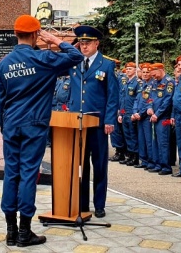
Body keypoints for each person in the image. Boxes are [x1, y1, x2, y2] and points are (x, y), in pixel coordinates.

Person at [0, 15, 83, 247]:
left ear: (16, 34)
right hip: (34, 125)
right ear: (35, 35)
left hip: (12, 125)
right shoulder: (43, 57)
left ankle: (10, 232)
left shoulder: (4, 64)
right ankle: (24, 232)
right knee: (28, 175)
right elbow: (77, 56)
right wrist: (55, 39)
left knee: (11, 174)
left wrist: (5, 127)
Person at [67, 25, 120, 219]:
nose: (83, 46)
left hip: (97, 123)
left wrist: (109, 120)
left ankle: (99, 204)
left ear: (96, 43)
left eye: (87, 43)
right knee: (80, 166)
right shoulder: (74, 63)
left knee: (99, 165)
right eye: (81, 42)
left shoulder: (106, 64)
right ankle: (82, 204)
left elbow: (112, 95)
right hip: (77, 123)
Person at [147, 63, 174, 175]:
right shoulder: (154, 82)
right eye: (152, 75)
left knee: (163, 142)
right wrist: (149, 108)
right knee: (155, 141)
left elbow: (167, 101)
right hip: (154, 116)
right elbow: (150, 97)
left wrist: (157, 114)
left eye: (155, 75)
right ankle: (157, 164)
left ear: (161, 70)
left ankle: (166, 166)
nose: (154, 77)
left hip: (163, 117)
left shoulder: (169, 82)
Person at [133, 63, 154, 169]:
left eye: (147, 72)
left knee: (149, 141)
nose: (145, 74)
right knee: (141, 140)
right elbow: (137, 100)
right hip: (139, 116)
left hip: (146, 117)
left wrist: (140, 114)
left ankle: (151, 161)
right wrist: (135, 112)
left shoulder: (152, 85)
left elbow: (149, 102)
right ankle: (144, 160)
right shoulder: (142, 84)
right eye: (144, 72)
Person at [118, 63, 140, 167]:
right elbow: (122, 100)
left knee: (133, 135)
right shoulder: (126, 82)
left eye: (130, 69)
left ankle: (135, 157)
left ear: (135, 70)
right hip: (124, 113)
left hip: (131, 113)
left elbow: (138, 99)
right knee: (127, 135)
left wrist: (135, 112)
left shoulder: (137, 82)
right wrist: (120, 114)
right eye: (126, 69)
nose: (128, 71)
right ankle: (130, 155)